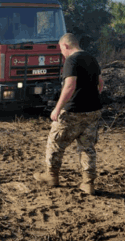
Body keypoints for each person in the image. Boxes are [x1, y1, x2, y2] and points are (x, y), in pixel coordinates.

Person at [34, 33, 104, 195]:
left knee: (55, 141)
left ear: (65, 45)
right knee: (87, 147)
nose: (62, 53)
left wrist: (57, 108)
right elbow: (101, 83)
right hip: (93, 110)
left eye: (61, 50)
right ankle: (88, 183)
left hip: (73, 110)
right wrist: (93, 97)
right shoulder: (91, 59)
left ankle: (52, 176)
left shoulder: (72, 60)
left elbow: (70, 85)